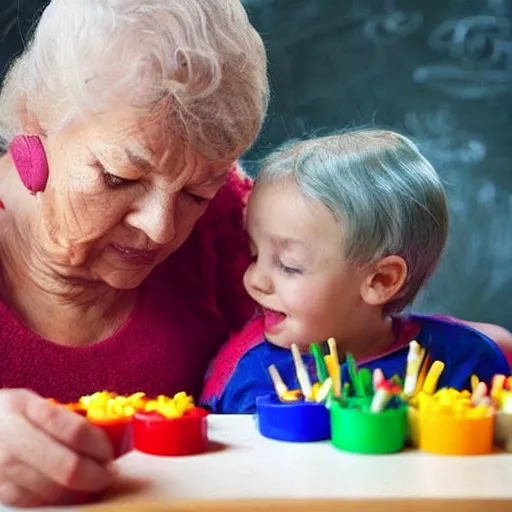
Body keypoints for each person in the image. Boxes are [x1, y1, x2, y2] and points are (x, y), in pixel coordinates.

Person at [0, 0, 267, 506]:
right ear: (33, 121)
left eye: (196, 193)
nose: (161, 229)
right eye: (120, 178)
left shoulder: (233, 229)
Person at [200, 130, 511, 414]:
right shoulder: (246, 379)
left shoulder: (465, 364)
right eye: (254, 254)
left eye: (288, 265)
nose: (254, 280)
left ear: (381, 281)